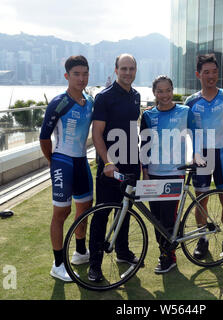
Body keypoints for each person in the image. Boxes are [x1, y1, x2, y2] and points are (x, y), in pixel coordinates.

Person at [39, 55, 94, 282]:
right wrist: (53, 161)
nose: (81, 78)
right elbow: (44, 137)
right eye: (76, 74)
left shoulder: (90, 101)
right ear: (67, 76)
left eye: (84, 74)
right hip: (63, 160)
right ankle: (58, 263)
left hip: (82, 161)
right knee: (62, 213)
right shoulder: (58, 102)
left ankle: (80, 252)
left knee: (85, 208)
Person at [184, 53, 223, 261]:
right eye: (206, 72)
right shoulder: (191, 102)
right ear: (198, 74)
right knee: (201, 200)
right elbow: (185, 133)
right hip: (201, 156)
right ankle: (203, 239)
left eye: (214, 72)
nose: (211, 76)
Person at [88, 53, 141, 282]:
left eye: (131, 68)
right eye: (124, 68)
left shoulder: (137, 96)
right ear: (116, 69)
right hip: (110, 167)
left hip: (131, 164)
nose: (128, 72)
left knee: (126, 210)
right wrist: (108, 162)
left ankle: (122, 251)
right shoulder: (104, 97)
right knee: (102, 214)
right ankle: (95, 265)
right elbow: (97, 134)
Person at [140, 75, 196, 274]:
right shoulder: (148, 116)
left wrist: (196, 155)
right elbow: (144, 145)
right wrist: (144, 170)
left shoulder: (185, 111)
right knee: (156, 218)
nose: (164, 95)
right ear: (154, 93)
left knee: (169, 217)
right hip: (154, 173)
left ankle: (169, 257)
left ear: (172, 90)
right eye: (160, 91)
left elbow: (195, 134)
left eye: (168, 90)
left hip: (175, 173)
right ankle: (163, 252)